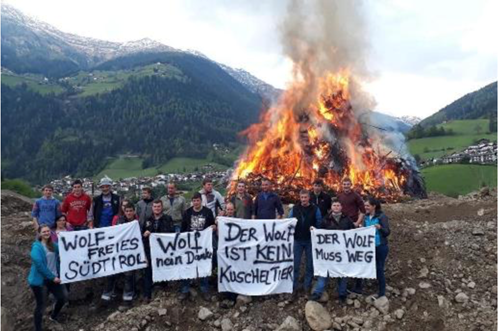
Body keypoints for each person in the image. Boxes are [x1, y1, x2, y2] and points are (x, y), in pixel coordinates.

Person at [309, 199, 354, 303]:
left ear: (341, 207)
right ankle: (317, 293)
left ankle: (342, 294)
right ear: (331, 207)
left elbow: (353, 233)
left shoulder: (347, 219)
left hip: (342, 253)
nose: (336, 207)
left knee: (342, 273)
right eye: (334, 205)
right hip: (328, 253)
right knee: (324, 273)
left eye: (338, 205)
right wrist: (314, 230)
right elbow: (320, 232)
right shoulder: (326, 219)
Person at [28, 224, 67, 331]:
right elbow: (39, 264)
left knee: (62, 298)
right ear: (39, 233)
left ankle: (53, 316)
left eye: (48, 231)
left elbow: (66, 250)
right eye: (44, 231)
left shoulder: (54, 245)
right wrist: (52, 277)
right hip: (41, 281)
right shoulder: (36, 247)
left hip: (53, 279)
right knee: (41, 306)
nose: (46, 233)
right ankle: (38, 328)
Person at [351, 197, 390, 298]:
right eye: (365, 206)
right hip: (368, 247)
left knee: (378, 268)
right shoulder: (366, 217)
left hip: (380, 247)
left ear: (374, 206)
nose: (365, 207)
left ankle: (382, 292)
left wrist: (380, 228)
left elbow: (387, 232)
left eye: (367, 205)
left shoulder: (382, 217)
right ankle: (358, 288)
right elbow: (364, 230)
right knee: (361, 265)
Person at [180, 192, 216, 301]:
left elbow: (212, 224)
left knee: (203, 265)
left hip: (203, 245)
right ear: (192, 201)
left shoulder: (207, 212)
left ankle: (204, 289)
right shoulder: (187, 213)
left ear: (201, 201)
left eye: (198, 200)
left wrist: (213, 227)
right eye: (194, 201)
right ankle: (185, 289)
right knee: (187, 266)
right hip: (190, 245)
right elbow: (183, 229)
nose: (196, 202)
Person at [101, 204, 140, 304]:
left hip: (131, 254)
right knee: (111, 273)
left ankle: (128, 297)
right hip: (118, 253)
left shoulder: (138, 223)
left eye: (131, 211)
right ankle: (107, 295)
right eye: (127, 211)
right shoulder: (119, 221)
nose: (129, 213)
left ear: (134, 211)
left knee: (129, 275)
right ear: (124, 212)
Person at [289, 189, 322, 295]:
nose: (303, 199)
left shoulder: (315, 209)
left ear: (309, 198)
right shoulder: (294, 209)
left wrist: (315, 228)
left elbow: (319, 222)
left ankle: (307, 287)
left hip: (310, 241)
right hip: (297, 240)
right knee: (296, 264)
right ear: (300, 198)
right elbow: (288, 222)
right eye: (302, 197)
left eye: (305, 197)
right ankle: (294, 287)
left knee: (309, 265)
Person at [142, 199, 175, 301]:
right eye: (155, 207)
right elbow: (141, 235)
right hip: (149, 250)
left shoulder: (168, 219)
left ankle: (164, 292)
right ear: (152, 208)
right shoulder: (147, 220)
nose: (157, 208)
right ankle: (147, 295)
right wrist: (145, 234)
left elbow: (173, 235)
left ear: (162, 207)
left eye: (158, 206)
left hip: (163, 251)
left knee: (164, 270)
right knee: (148, 272)